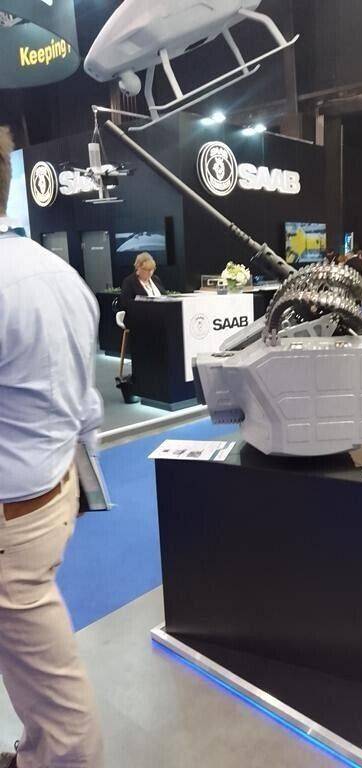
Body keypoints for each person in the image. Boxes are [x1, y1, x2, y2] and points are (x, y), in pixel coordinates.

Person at [0, 127, 103, 767]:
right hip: (51, 494)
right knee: (26, 659)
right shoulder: (59, 274)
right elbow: (85, 401)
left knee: (61, 709)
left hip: (12, 520)